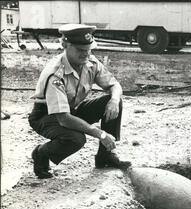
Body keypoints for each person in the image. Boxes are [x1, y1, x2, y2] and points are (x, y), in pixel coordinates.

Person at [28, 24, 131, 179]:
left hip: (71, 110)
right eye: (80, 50)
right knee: (76, 139)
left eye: (88, 49)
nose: (86, 54)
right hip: (46, 115)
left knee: (112, 100)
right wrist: (101, 134)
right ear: (65, 46)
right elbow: (63, 119)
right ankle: (40, 153)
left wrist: (115, 100)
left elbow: (114, 85)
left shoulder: (90, 62)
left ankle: (105, 156)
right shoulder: (55, 74)